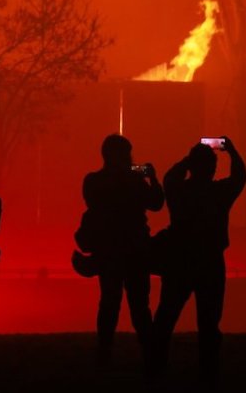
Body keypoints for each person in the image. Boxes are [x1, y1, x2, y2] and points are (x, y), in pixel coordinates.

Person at [150, 137, 246, 388]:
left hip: (180, 259)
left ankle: (155, 365)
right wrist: (231, 151)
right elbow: (240, 177)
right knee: (209, 322)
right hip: (211, 261)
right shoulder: (218, 194)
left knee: (166, 315)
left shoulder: (179, 192)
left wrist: (187, 159)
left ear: (192, 167)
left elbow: (170, 177)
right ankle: (209, 372)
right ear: (213, 169)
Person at [78, 134, 163, 367]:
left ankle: (104, 351)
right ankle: (149, 354)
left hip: (109, 250)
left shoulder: (94, 181)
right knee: (139, 306)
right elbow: (156, 203)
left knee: (108, 302)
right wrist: (151, 178)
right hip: (135, 250)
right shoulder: (134, 180)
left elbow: (93, 204)